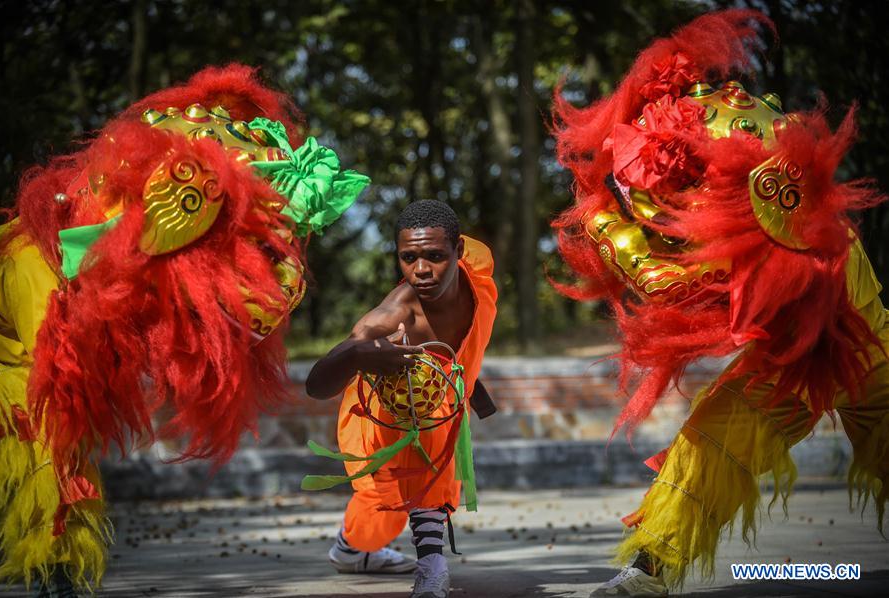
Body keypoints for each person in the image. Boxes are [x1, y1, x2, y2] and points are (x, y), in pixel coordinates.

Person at [0, 64, 366, 596]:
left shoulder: (123, 270)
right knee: (48, 420)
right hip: (16, 336)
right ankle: (58, 568)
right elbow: (57, 410)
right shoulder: (42, 268)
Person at [551, 10, 888, 597]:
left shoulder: (760, 178)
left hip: (860, 330)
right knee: (708, 443)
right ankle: (653, 567)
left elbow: (671, 282)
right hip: (790, 359)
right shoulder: (744, 149)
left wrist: (615, 232)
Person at [306, 199, 497, 598]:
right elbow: (317, 384)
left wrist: (474, 387)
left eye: (434, 256)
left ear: (459, 251)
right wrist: (362, 355)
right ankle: (373, 553)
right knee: (381, 507)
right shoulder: (395, 316)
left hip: (437, 407)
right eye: (408, 258)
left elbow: (458, 350)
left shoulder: (478, 280)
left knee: (424, 467)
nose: (422, 270)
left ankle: (402, 560)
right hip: (387, 414)